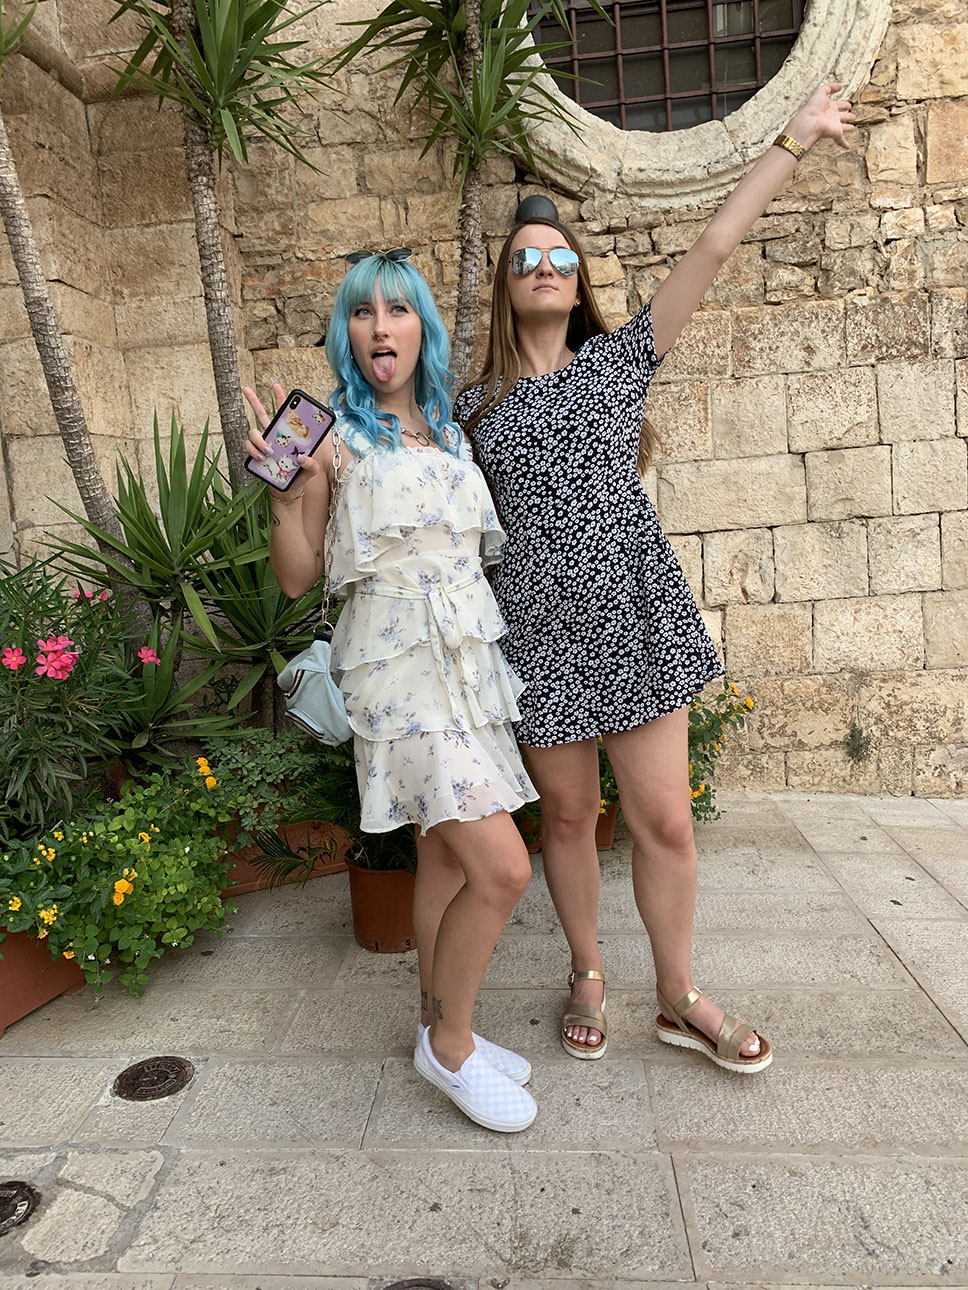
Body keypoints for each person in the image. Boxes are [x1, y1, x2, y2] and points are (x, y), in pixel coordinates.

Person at [455, 85, 856, 1074]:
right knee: (564, 819)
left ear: (578, 281)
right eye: (525, 259)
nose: (544, 269)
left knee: (664, 820)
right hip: (536, 638)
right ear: (505, 286)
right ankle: (587, 971)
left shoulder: (620, 361)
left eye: (560, 259)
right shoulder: (472, 409)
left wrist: (794, 139)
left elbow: (712, 246)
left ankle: (678, 995)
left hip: (635, 620)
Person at [243, 251, 541, 1130]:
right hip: (397, 678)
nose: (381, 326)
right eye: (363, 312)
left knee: (445, 857)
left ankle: (435, 1021)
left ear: (422, 329)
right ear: (348, 333)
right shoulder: (331, 439)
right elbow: (295, 577)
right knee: (503, 868)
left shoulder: (449, 433)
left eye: (398, 310)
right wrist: (286, 498)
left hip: (466, 672)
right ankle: (451, 1047)